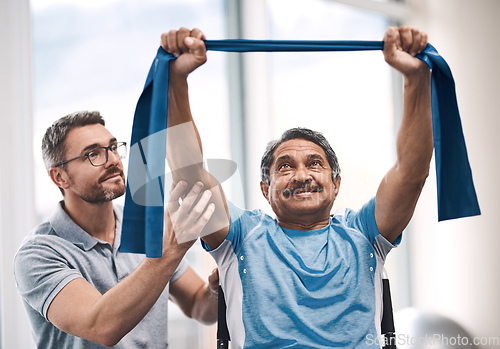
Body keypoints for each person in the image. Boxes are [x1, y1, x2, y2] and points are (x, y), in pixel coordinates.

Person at [161, 25, 432, 349]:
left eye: (315, 164)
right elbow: (190, 173)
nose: (302, 175)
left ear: (336, 185)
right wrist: (176, 82)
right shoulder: (240, 236)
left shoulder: (364, 233)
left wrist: (416, 81)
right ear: (266, 189)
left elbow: (412, 172)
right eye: (285, 166)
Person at [13, 111, 219, 348]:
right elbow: (101, 327)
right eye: (93, 154)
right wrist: (170, 251)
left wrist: (215, 292)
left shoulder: (148, 227)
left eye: (113, 147)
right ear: (60, 177)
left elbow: (196, 305)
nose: (113, 160)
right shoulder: (38, 254)